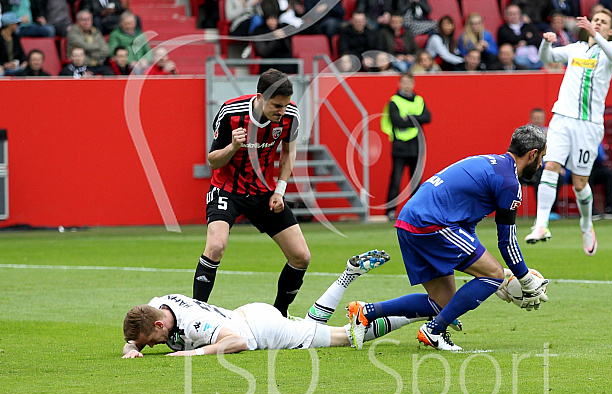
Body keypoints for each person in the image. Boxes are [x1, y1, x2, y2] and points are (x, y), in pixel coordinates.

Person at [347, 124, 550, 352]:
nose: (541, 164)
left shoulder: (488, 162)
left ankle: (365, 312)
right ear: (532, 154)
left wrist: (495, 276)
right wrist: (524, 278)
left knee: (442, 302)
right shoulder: (510, 183)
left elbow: (467, 224)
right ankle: (433, 331)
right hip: (431, 223)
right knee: (491, 275)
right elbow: (507, 242)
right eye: (541, 157)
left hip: (410, 221)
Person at [123, 250, 417, 357]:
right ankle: (347, 276)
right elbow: (141, 325)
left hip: (260, 330)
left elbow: (236, 342)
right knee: (312, 326)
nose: (150, 346)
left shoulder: (193, 325)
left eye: (149, 341)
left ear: (159, 324)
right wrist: (130, 347)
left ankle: (420, 313)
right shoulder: (158, 304)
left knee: (346, 337)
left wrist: (192, 355)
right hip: (253, 312)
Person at [193, 69, 309, 318]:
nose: (282, 111)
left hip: (264, 193)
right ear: (260, 97)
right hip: (227, 190)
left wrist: (280, 190)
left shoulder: (290, 115)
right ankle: (194, 316)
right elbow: (213, 161)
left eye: (286, 104)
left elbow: (288, 153)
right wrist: (233, 146)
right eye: (277, 105)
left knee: (301, 256)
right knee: (215, 246)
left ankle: (280, 317)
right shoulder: (231, 113)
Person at [525, 9, 612, 256]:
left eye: (603, 23)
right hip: (562, 118)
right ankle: (541, 224)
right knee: (550, 167)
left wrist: (595, 34)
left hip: (588, 125)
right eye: (595, 20)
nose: (597, 24)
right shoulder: (576, 48)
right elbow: (546, 57)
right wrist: (546, 43)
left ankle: (586, 224)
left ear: (611, 30)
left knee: (580, 183)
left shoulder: (610, 50)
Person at [381, 72, 430, 221]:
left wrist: (408, 117)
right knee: (396, 179)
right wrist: (415, 119)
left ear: (413, 84)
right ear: (400, 83)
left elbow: (427, 117)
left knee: (416, 180)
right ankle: (390, 211)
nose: (407, 85)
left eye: (410, 82)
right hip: (400, 146)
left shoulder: (419, 100)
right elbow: (396, 121)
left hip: (416, 145)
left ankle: (416, 211)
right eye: (404, 82)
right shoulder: (394, 101)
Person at [590, 119, 612, 219]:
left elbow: (601, 157)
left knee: (610, 174)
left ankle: (610, 208)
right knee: (587, 177)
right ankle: (590, 210)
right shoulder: (578, 138)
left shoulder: (597, 138)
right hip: (580, 168)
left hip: (596, 166)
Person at [497, 4, 543, 70]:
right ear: (506, 16)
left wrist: (525, 42)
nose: (514, 16)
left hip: (535, 56)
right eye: (511, 14)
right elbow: (512, 39)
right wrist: (526, 36)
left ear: (520, 14)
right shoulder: (503, 29)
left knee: (549, 61)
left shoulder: (528, 25)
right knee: (522, 63)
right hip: (517, 57)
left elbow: (537, 38)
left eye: (516, 13)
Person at [66, 10, 111, 74]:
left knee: (109, 73)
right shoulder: (73, 32)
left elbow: (106, 50)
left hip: (98, 64)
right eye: (83, 20)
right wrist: (99, 46)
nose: (86, 22)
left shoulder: (96, 31)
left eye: (88, 19)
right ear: (78, 21)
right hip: (81, 65)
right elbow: (85, 46)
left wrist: (89, 53)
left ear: (92, 21)